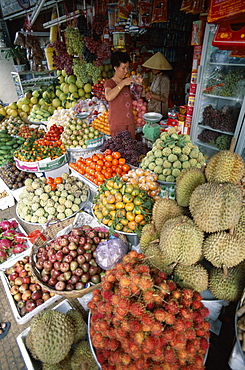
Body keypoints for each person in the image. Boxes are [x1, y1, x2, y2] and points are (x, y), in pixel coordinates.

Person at [104, 51, 143, 138]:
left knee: (131, 148)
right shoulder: (109, 83)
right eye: (123, 68)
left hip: (130, 122)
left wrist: (139, 85)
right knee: (118, 149)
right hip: (117, 124)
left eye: (127, 68)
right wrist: (122, 83)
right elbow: (109, 97)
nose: (126, 71)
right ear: (115, 67)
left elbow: (138, 96)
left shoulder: (128, 82)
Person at [142, 51, 173, 119]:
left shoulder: (164, 79)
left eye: (154, 67)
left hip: (159, 111)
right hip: (153, 108)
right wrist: (149, 93)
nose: (152, 69)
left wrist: (151, 95)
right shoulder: (156, 77)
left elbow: (164, 98)